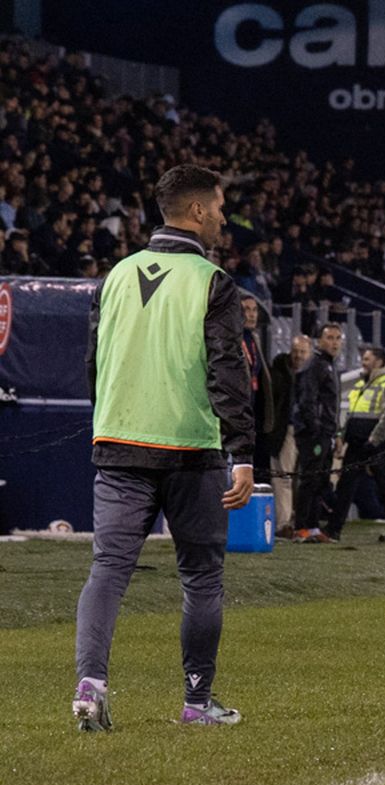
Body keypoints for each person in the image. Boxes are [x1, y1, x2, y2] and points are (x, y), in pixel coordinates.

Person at [73, 163, 254, 731]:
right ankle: (197, 702)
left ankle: (90, 686)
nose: (224, 216)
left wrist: (109, 419)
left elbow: (93, 363)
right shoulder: (213, 281)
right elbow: (228, 370)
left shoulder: (116, 274)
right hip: (190, 447)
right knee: (201, 576)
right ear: (198, 210)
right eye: (220, 206)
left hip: (118, 442)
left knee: (108, 569)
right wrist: (243, 450)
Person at [325, 346, 385, 542]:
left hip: (378, 443)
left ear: (379, 361)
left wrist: (374, 440)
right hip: (357, 441)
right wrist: (342, 435)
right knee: (346, 486)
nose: (363, 361)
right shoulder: (362, 383)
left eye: (367, 358)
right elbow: (351, 414)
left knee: (384, 486)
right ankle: (333, 530)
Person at [292, 322, 342, 541]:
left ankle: (312, 527)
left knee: (319, 482)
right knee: (309, 480)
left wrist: (335, 433)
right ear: (319, 341)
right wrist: (317, 430)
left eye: (338, 338)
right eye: (330, 338)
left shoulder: (328, 365)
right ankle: (301, 527)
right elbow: (307, 400)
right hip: (314, 433)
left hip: (325, 432)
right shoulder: (316, 365)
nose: (334, 342)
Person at [267, 335, 311, 536]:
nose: (299, 356)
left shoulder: (313, 373)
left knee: (303, 479)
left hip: (307, 431)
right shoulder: (279, 372)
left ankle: (298, 521)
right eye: (296, 351)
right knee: (283, 477)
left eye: (303, 352)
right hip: (286, 430)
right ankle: (283, 523)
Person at [239, 293, 275, 474]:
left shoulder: (254, 340)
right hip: (238, 417)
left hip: (255, 418)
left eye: (254, 310)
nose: (252, 314)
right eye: (246, 309)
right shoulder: (230, 340)